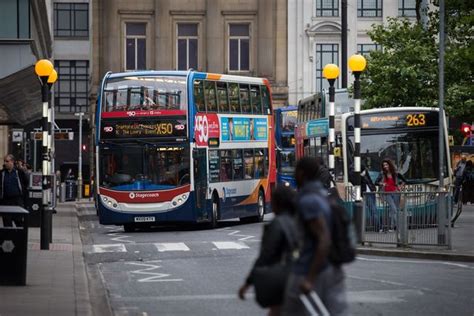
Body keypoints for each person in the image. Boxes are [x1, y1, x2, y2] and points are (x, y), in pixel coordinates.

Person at [282, 157, 348, 316]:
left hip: (309, 269)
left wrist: (310, 278)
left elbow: (323, 239)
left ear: (302, 174)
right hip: (329, 268)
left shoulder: (308, 201)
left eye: (296, 171)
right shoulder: (322, 195)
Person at [239, 185, 298, 315]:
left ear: (278, 204)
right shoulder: (298, 221)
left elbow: (265, 255)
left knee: (277, 310)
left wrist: (248, 283)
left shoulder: (277, 224)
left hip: (285, 278)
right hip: (302, 274)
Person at [375, 159, 406, 232]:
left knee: (394, 210)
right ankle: (399, 227)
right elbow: (376, 182)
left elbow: (404, 180)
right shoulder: (382, 173)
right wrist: (382, 184)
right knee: (394, 209)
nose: (385, 166)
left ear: (389, 165)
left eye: (386, 165)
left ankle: (392, 227)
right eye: (384, 165)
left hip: (396, 192)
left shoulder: (395, 173)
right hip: (387, 193)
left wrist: (400, 186)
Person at [0, 154, 29, 226]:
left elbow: (25, 183)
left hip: (17, 200)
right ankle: (8, 236)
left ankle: (19, 237)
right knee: (7, 222)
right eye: (4, 161)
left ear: (12, 162)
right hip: (6, 201)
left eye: (7, 161)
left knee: (18, 221)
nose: (5, 163)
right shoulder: (2, 173)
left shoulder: (19, 172)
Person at [349, 164, 378, 230]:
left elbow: (369, 180)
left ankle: (377, 226)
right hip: (365, 192)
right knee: (373, 210)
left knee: (373, 210)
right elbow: (355, 182)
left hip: (370, 191)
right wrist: (361, 176)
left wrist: (373, 188)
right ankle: (378, 227)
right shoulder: (355, 172)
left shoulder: (364, 171)